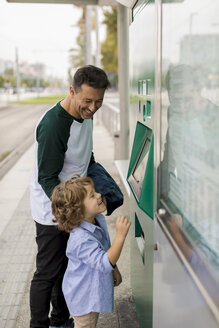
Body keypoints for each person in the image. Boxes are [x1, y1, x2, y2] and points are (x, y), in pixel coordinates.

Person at [30, 65, 110, 328]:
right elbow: (47, 178)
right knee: (48, 274)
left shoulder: (87, 114)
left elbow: (87, 154)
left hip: (77, 207)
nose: (93, 107)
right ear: (72, 91)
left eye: (98, 101)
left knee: (69, 268)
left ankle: (60, 321)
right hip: (54, 210)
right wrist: (73, 212)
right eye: (87, 101)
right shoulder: (54, 125)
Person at [51, 176, 131, 328]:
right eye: (92, 195)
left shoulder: (97, 220)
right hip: (83, 299)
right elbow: (104, 262)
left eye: (95, 191)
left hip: (90, 293)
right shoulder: (81, 240)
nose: (99, 195)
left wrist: (114, 270)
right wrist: (120, 236)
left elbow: (104, 250)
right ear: (78, 210)